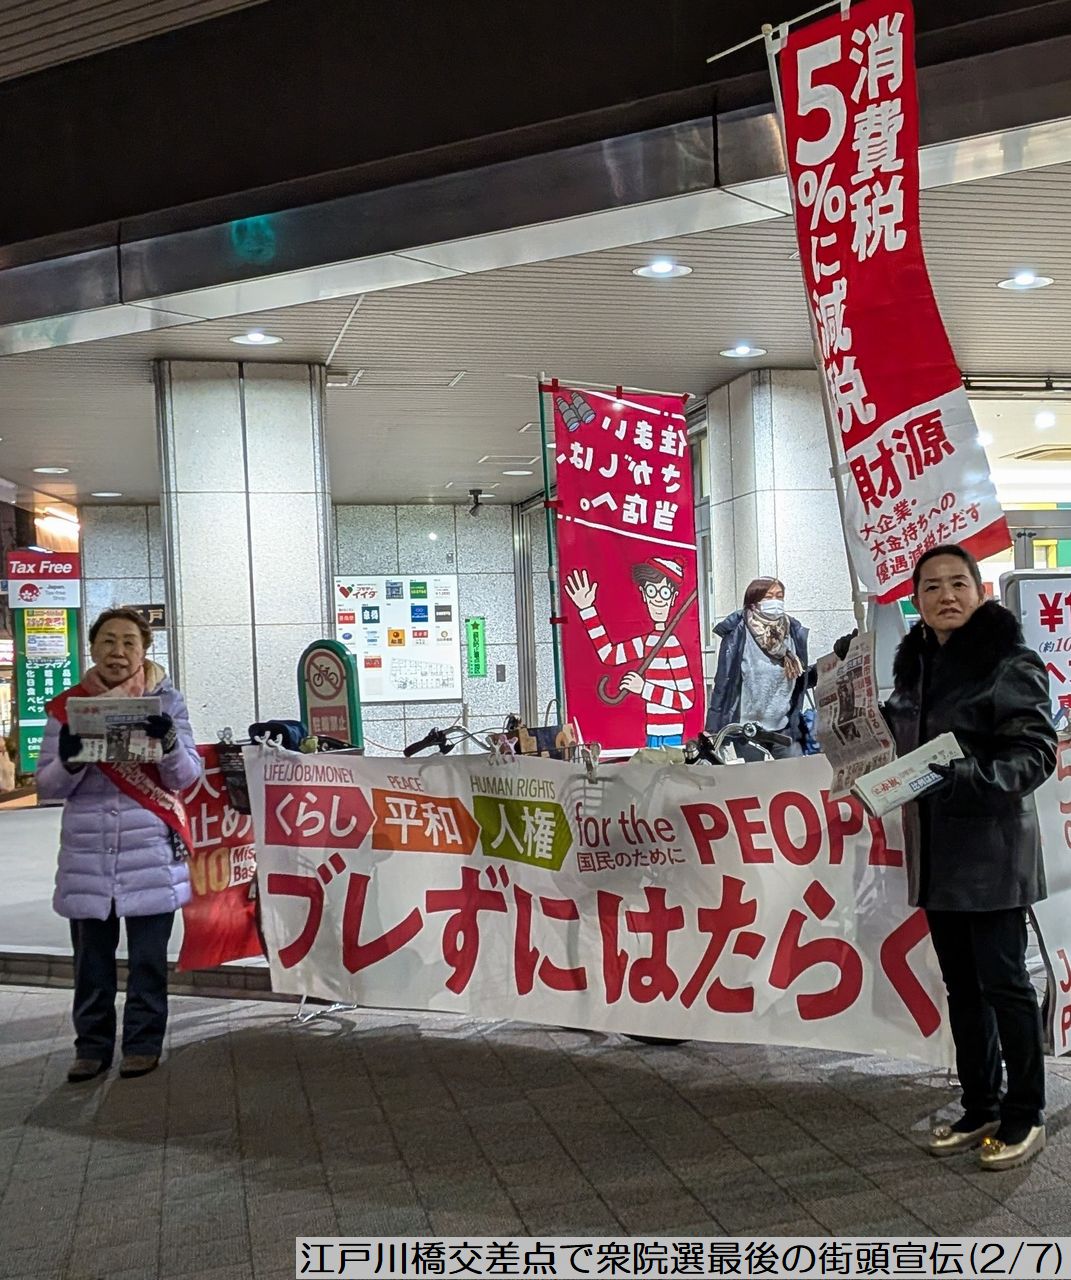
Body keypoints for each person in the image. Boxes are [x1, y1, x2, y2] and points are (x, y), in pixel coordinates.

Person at [883, 545, 1056, 1170]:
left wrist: (965, 775)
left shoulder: (1009, 663)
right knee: (961, 986)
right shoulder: (918, 666)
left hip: (991, 851)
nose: (946, 596)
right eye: (932, 587)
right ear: (917, 599)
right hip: (934, 852)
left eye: (959, 583)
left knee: (1005, 984)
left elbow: (1036, 754)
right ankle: (981, 1103)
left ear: (980, 591)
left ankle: (1024, 1113)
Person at [36, 608, 202, 1083]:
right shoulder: (67, 707)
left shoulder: (167, 703)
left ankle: (143, 1044)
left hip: (150, 849)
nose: (118, 651)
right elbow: (47, 787)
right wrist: (67, 761)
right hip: (88, 853)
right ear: (92, 647)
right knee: (91, 964)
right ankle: (91, 1048)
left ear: (144, 649)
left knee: (148, 960)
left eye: (129, 642)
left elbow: (187, 777)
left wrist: (169, 744)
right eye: (108, 641)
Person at [564, 557, 696, 748]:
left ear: (674, 597)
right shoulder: (647, 642)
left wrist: (644, 689)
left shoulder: (672, 646)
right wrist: (587, 609)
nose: (658, 599)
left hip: (672, 734)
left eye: (665, 592)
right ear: (644, 595)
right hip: (652, 732)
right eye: (652, 591)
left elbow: (687, 699)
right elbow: (609, 654)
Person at [706, 578, 810, 759]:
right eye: (768, 597)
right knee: (756, 782)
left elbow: (802, 677)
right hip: (748, 730)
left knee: (792, 780)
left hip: (784, 727)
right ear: (754, 602)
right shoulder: (738, 633)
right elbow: (724, 682)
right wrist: (713, 728)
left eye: (779, 596)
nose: (775, 602)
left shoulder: (792, 631)